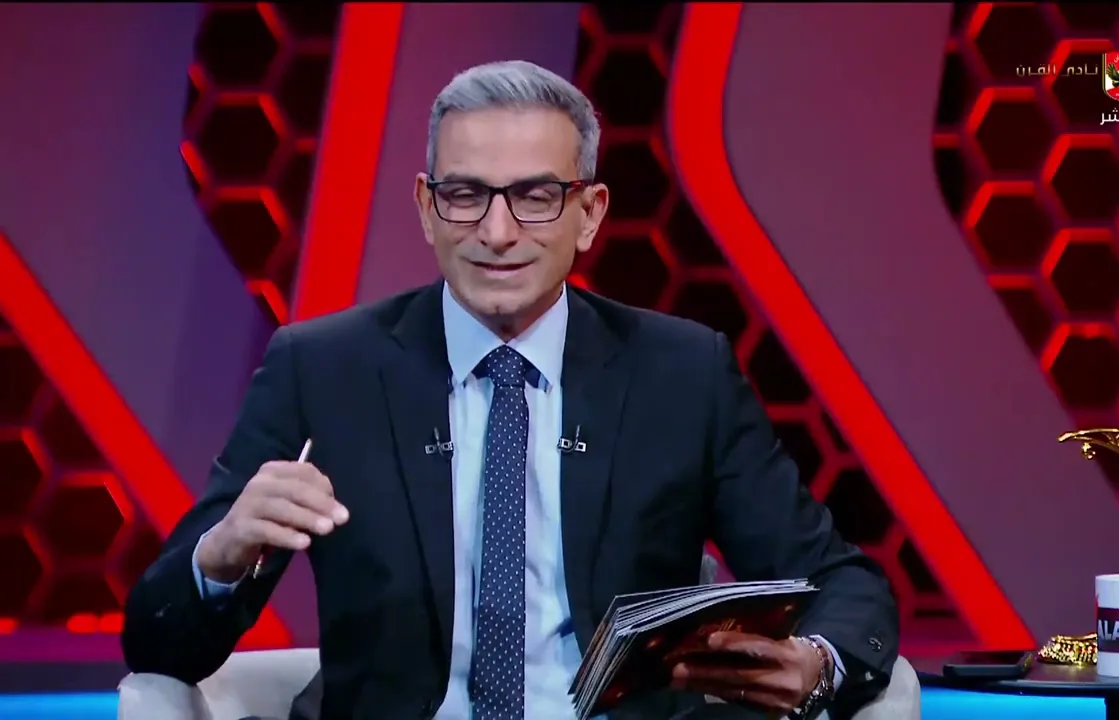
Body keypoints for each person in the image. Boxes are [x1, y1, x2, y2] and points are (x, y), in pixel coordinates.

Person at [121, 60, 898, 720]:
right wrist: (220, 558)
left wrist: (819, 663)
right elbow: (157, 645)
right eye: (465, 195)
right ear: (427, 209)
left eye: (535, 197)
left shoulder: (682, 374)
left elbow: (843, 582)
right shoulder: (322, 369)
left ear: (589, 215)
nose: (497, 233)